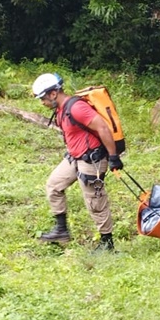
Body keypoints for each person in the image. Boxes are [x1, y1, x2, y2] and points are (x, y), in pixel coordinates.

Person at [32, 73, 123, 251]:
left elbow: (102, 127)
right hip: (74, 157)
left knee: (94, 200)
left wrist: (113, 157)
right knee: (54, 185)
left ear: (53, 94)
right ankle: (61, 229)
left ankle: (107, 243)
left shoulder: (77, 108)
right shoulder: (60, 109)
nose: (42, 103)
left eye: (43, 98)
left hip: (92, 159)